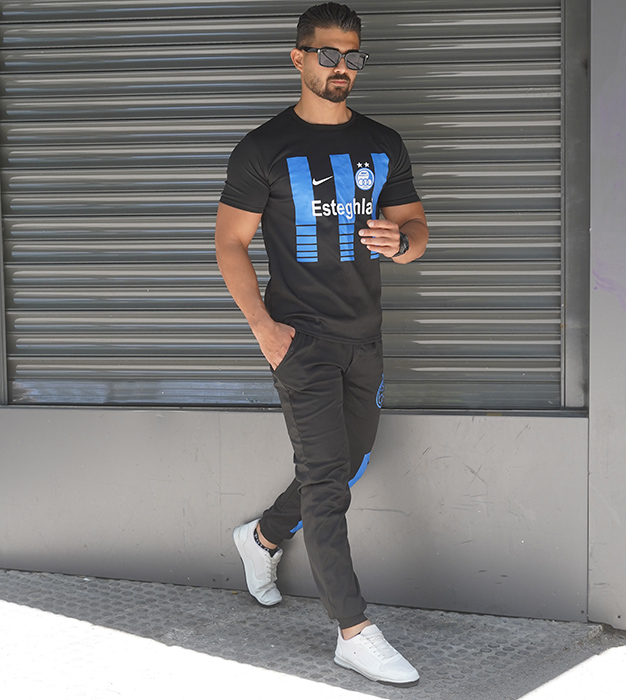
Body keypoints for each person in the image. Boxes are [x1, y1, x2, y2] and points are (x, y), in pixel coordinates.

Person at [215, 2, 429, 686]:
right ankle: (353, 631)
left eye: (353, 56)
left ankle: (262, 538)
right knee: (329, 483)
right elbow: (230, 243)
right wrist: (265, 329)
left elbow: (416, 228)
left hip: (365, 337)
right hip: (299, 341)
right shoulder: (264, 147)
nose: (342, 67)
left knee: (350, 462)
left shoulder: (382, 142)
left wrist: (401, 244)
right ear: (299, 57)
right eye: (328, 55)